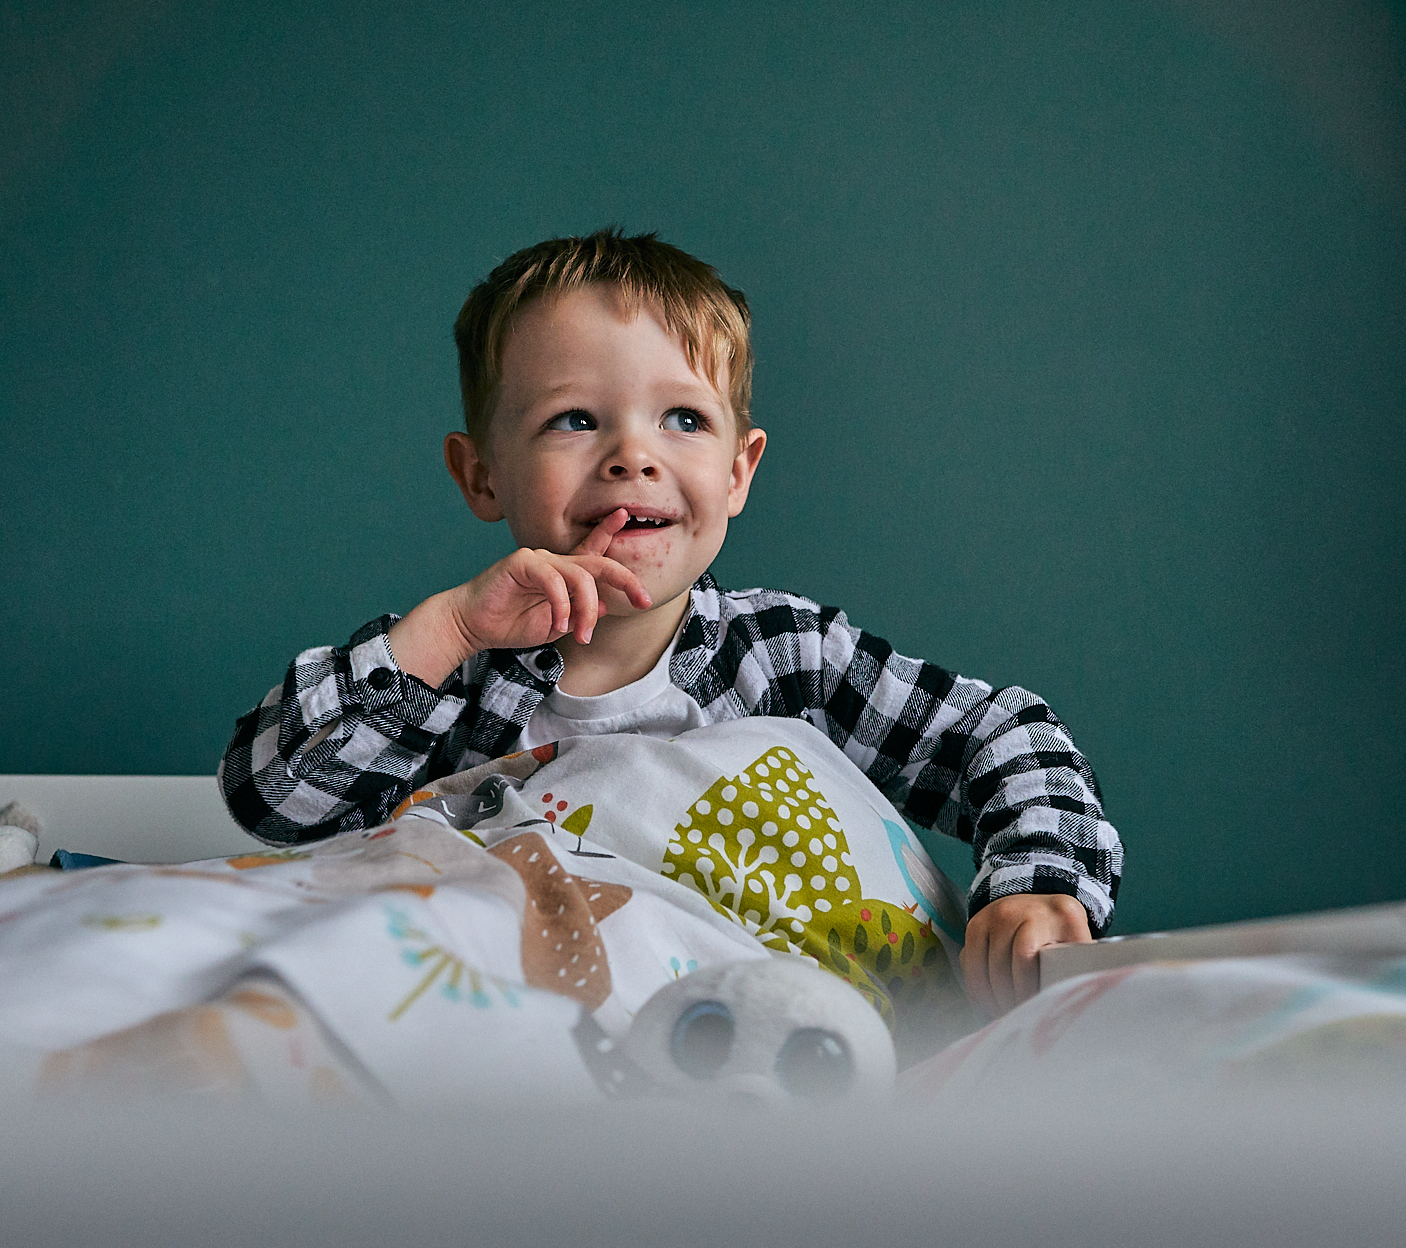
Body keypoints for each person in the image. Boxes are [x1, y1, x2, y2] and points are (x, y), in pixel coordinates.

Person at [221, 229, 1122, 1015]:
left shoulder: (790, 657)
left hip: (785, 1029)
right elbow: (272, 801)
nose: (633, 456)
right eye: (575, 419)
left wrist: (1036, 883)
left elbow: (1004, 736)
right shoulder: (450, 673)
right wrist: (448, 630)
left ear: (737, 471)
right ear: (481, 474)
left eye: (683, 418)